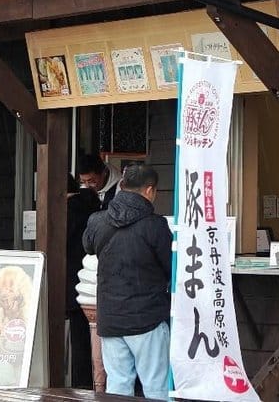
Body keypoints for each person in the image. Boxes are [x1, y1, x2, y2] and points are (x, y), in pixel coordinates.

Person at [83, 165, 172, 400]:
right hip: (148, 318)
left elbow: (88, 246)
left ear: (121, 187)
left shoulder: (97, 220)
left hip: (111, 317)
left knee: (118, 386)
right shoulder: (156, 226)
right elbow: (170, 267)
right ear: (150, 190)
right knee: (156, 387)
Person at [66, 174, 101, 388]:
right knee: (95, 338)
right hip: (92, 279)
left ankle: (82, 385)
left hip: (72, 281)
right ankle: (95, 385)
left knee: (79, 340)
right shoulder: (93, 207)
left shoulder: (68, 211)